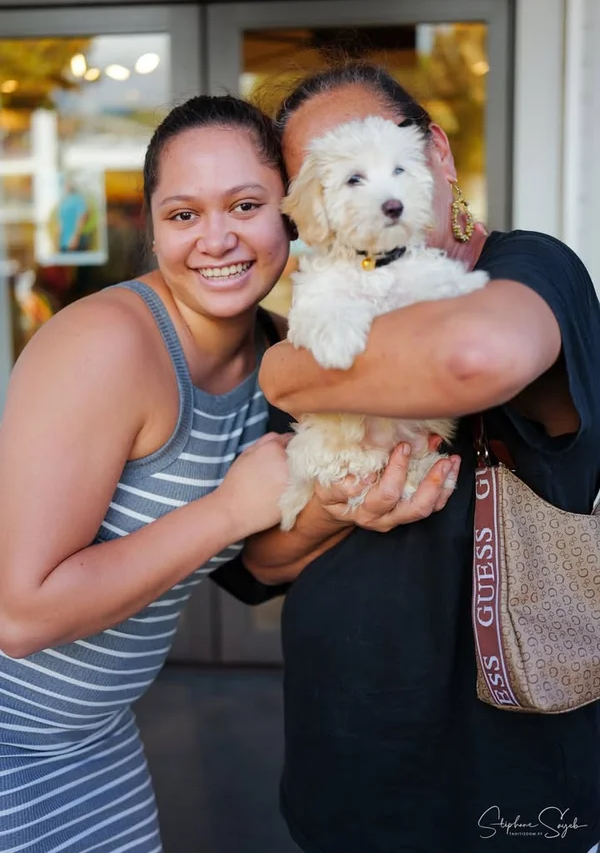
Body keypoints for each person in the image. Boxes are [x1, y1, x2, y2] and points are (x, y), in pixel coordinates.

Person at [0, 94, 371, 853]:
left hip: (91, 736)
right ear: (153, 227)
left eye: (244, 204)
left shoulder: (282, 359)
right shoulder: (106, 344)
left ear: (292, 214)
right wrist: (230, 511)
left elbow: (264, 560)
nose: (217, 239)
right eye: (183, 215)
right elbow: (21, 616)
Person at [248, 63, 600, 853]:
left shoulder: (533, 269)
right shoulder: (316, 299)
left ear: (435, 153)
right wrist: (333, 511)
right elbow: (262, 561)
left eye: (392, 163)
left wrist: (286, 369)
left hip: (516, 762)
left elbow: (472, 355)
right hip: (346, 745)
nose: (383, 194)